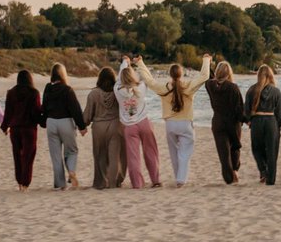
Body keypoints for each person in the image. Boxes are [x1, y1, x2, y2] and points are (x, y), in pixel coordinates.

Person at [137, 54, 211, 187]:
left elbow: (149, 80)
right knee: (184, 152)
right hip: (185, 124)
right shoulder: (188, 86)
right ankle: (180, 180)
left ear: (170, 74)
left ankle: (178, 177)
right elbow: (204, 77)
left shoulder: (164, 88)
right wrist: (206, 60)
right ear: (181, 74)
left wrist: (140, 63)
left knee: (174, 153)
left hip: (170, 124)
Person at [116, 58, 161, 188]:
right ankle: (155, 180)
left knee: (133, 157)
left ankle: (137, 184)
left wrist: (125, 62)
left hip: (129, 127)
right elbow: (147, 76)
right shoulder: (141, 87)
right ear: (133, 76)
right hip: (144, 123)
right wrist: (140, 63)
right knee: (151, 152)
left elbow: (120, 77)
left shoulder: (117, 90)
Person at [41, 63, 87, 190]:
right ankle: (71, 171)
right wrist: (82, 126)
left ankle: (60, 184)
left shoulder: (47, 88)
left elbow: (43, 106)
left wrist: (43, 121)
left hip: (51, 122)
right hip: (65, 122)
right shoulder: (67, 90)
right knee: (72, 151)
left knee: (55, 155)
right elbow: (75, 109)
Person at [82, 67, 127, 189]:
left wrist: (82, 125)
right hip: (115, 126)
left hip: (98, 128)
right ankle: (114, 182)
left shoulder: (93, 94)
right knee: (115, 157)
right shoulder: (117, 93)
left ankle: (101, 182)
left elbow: (87, 115)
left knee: (99, 155)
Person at [1, 70, 42, 191]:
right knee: (28, 156)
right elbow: (36, 111)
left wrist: (5, 126)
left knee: (17, 155)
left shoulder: (11, 93)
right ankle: (25, 183)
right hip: (29, 129)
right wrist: (43, 121)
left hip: (15, 129)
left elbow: (8, 112)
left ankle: (19, 182)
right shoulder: (34, 93)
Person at [205, 61, 245, 185]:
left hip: (218, 121)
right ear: (229, 73)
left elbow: (209, 78)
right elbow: (239, 109)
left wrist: (207, 63)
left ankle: (228, 178)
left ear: (217, 72)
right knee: (235, 146)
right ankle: (235, 170)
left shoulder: (210, 85)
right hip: (232, 123)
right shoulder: (233, 88)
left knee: (223, 151)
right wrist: (246, 120)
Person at [245, 64, 281, 185]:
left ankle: (263, 170)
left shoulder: (251, 90)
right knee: (272, 151)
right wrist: (278, 125)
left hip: (257, 121)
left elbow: (246, 110)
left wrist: (249, 120)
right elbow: (280, 113)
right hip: (270, 121)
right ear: (271, 76)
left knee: (256, 148)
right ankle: (271, 180)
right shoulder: (276, 91)